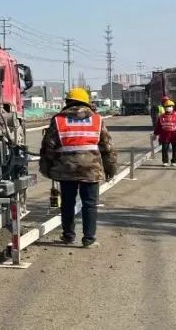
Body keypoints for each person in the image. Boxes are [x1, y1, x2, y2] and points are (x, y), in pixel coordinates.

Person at [39, 88, 117, 248]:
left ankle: (68, 236)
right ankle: (89, 238)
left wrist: (48, 168)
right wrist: (110, 168)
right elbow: (107, 147)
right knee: (90, 204)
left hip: (66, 169)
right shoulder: (97, 119)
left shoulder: (58, 120)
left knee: (67, 203)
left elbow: (48, 147)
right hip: (91, 169)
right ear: (87, 103)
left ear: (68, 102)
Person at [154, 99, 176, 166]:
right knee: (164, 149)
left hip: (175, 135)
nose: (168, 108)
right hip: (165, 135)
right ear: (164, 108)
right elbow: (159, 126)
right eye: (167, 107)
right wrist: (155, 134)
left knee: (175, 149)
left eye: (170, 106)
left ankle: (174, 161)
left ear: (173, 107)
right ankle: (165, 161)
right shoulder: (161, 116)